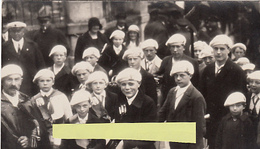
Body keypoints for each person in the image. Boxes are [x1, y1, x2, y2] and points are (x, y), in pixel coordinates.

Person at [199, 34, 247, 149]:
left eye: (222, 49)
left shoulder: (237, 71)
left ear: (229, 50)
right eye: (216, 49)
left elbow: (241, 96)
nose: (219, 52)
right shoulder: (207, 70)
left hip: (229, 120)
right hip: (211, 119)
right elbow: (202, 94)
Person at [158, 61, 206, 149]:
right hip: (173, 140)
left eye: (182, 75)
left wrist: (194, 146)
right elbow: (162, 113)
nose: (178, 79)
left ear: (190, 76)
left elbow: (199, 126)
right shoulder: (172, 92)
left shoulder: (196, 96)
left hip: (188, 143)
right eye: (176, 76)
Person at [1, 64, 45, 149]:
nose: (13, 83)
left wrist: (29, 139)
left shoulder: (28, 101)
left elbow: (39, 126)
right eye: (9, 80)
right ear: (2, 82)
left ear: (21, 81)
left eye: (16, 79)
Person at [115, 68, 157, 149]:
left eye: (131, 84)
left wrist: (125, 143)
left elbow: (150, 135)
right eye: (123, 84)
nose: (127, 88)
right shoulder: (119, 99)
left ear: (139, 84)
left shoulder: (148, 103)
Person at [30, 69, 73, 148]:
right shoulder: (34, 99)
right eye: (42, 81)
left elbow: (68, 116)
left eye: (48, 80)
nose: (45, 83)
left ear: (53, 82)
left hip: (60, 132)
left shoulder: (60, 96)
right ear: (37, 83)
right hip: (43, 135)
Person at [2, 21, 45, 96]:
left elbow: (40, 65)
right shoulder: (4, 47)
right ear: (10, 33)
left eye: (19, 31)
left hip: (30, 84)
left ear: (23, 32)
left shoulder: (32, 45)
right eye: (13, 32)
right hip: (12, 83)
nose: (16, 34)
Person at [156, 34, 199, 106]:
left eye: (178, 46)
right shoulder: (166, 60)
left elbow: (196, 82)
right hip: (168, 97)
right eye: (173, 47)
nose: (175, 50)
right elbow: (159, 75)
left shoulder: (192, 62)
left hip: (186, 98)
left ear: (184, 47)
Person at [246, 71, 260, 148]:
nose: (253, 85)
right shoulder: (248, 96)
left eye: (257, 83)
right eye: (251, 82)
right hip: (249, 132)